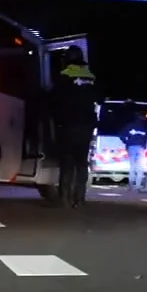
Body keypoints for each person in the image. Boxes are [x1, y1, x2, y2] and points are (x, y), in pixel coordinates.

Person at [50, 47, 100, 206]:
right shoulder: (91, 76)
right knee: (81, 162)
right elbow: (100, 99)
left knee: (67, 161)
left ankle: (64, 198)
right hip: (86, 125)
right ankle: (79, 198)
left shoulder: (65, 75)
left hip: (68, 124)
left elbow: (55, 99)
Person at [121, 109, 147, 192]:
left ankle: (131, 185)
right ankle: (138, 186)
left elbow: (121, 135)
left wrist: (127, 142)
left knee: (132, 166)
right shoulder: (145, 127)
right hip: (140, 148)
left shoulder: (129, 125)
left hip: (131, 147)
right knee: (140, 167)